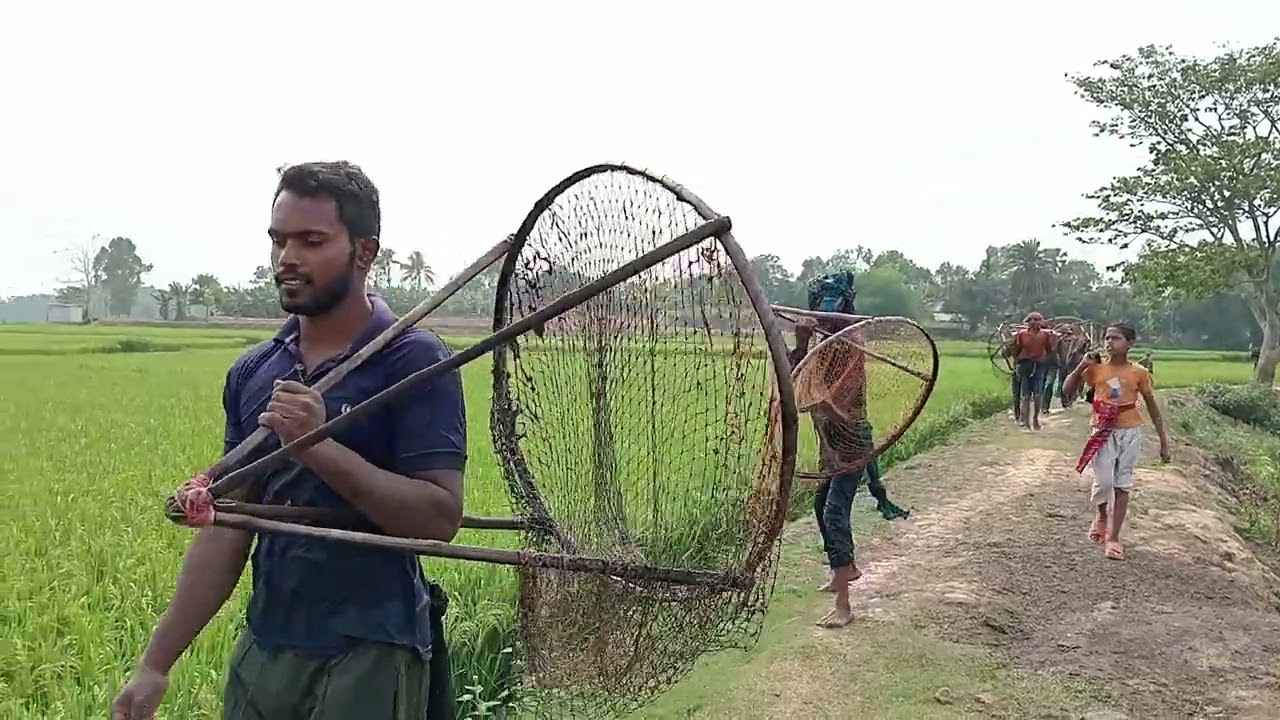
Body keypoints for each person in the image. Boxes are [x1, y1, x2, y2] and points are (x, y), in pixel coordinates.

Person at [110, 162, 467, 720]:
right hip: (268, 643)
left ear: (364, 251)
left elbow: (439, 517)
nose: (287, 258)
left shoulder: (415, 360)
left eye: (311, 241)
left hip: (372, 651)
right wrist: (156, 664)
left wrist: (317, 445)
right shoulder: (256, 370)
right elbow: (228, 527)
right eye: (279, 240)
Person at [789, 272, 909, 629]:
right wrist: (802, 340)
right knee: (820, 506)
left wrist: (815, 401)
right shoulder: (822, 346)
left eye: (832, 314)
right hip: (831, 444)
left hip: (851, 443)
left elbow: (829, 400)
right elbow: (793, 374)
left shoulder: (847, 346)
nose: (826, 319)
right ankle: (842, 569)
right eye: (822, 314)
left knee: (834, 513)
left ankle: (844, 604)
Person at [1062, 323, 1171, 562]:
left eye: (1116, 338)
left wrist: (1164, 441)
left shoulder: (1139, 373)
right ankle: (1102, 515)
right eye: (1107, 338)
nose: (1109, 342)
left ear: (1130, 343)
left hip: (1130, 431)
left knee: (1122, 484)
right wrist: (1082, 365)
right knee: (1104, 483)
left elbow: (1152, 407)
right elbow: (1067, 390)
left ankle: (1114, 538)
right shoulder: (1097, 369)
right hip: (1102, 430)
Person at [1005, 311, 1055, 430]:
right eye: (1032, 320)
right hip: (1024, 366)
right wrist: (1017, 363)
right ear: (1028, 322)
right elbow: (1016, 350)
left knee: (1038, 395)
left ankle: (1035, 419)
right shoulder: (1021, 335)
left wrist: (1044, 359)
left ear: (1041, 322)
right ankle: (1025, 421)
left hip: (1038, 366)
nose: (1034, 322)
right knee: (1025, 395)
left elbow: (1049, 350)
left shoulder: (1045, 335)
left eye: (1037, 320)